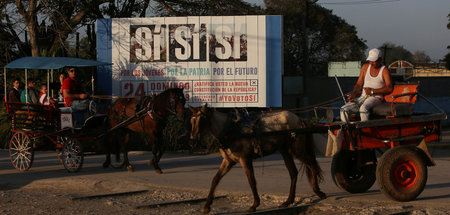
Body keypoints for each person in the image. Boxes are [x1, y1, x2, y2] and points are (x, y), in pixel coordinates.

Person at [340, 48, 393, 122]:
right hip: (363, 97)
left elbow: (389, 88)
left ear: (380, 60)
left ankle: (364, 128)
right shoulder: (365, 67)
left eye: (374, 61)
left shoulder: (384, 70)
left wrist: (372, 92)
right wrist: (353, 94)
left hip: (376, 98)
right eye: (370, 61)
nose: (371, 63)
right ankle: (347, 130)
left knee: (363, 108)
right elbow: (359, 84)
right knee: (343, 109)